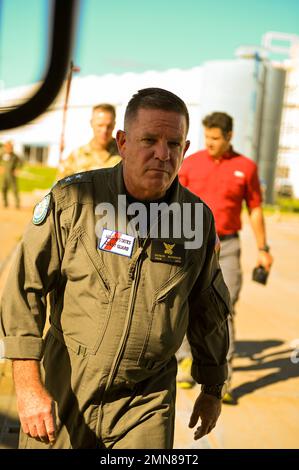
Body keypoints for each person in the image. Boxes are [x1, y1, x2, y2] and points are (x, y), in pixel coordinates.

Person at [0, 88, 230, 449]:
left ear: (185, 150)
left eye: (173, 143)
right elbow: (23, 287)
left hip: (146, 402)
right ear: (122, 142)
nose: (162, 154)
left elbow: (209, 310)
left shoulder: (196, 221)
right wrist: (28, 385)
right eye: (149, 140)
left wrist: (213, 386)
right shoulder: (73, 201)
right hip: (67, 387)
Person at [178, 112, 273, 403]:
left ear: (229, 136)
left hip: (228, 246)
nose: (210, 143)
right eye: (207, 137)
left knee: (225, 307)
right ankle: (185, 361)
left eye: (216, 138)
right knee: (182, 301)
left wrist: (263, 249)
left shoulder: (246, 167)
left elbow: (255, 209)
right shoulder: (190, 163)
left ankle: (222, 379)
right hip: (189, 242)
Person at [57, 103, 121, 179]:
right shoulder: (76, 156)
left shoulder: (124, 154)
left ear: (114, 125)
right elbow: (60, 187)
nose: (104, 130)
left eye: (109, 126)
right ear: (91, 123)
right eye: (100, 125)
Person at [0, 140, 23, 208]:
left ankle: (17, 204)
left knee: (14, 189)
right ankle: (5, 203)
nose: (9, 148)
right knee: (3, 188)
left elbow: (20, 163)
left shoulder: (15, 156)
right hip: (4, 175)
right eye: (8, 146)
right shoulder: (2, 154)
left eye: (10, 147)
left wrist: (17, 169)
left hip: (12, 174)